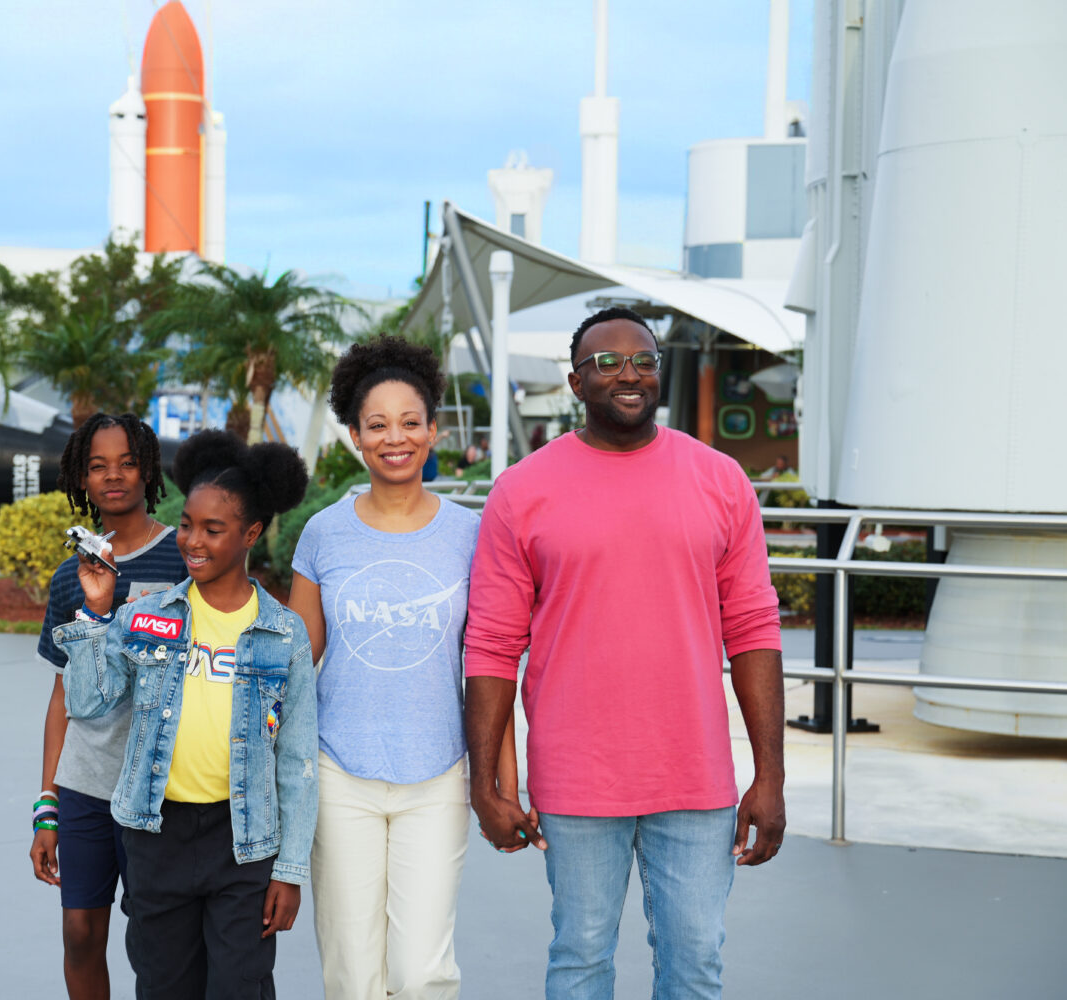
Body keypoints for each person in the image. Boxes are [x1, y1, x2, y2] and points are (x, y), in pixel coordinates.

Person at [463, 306, 786, 999]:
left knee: (694, 962)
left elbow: (755, 630)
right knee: (580, 958)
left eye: (642, 359)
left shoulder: (721, 480)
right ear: (576, 384)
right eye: (605, 362)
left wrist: (770, 776)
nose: (628, 373)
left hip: (694, 775)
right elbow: (491, 645)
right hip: (578, 778)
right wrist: (486, 785)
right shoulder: (521, 491)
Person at [287, 336, 515, 999]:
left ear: (433, 429)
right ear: (355, 435)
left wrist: (503, 780)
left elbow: (492, 668)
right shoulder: (325, 534)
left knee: (422, 973)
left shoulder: (472, 535)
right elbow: (299, 664)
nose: (396, 438)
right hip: (339, 775)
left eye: (411, 422)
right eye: (378, 424)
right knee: (352, 976)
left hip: (436, 774)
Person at [53, 430, 317, 1000]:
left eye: (212, 529)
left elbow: (296, 759)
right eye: (188, 525)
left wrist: (290, 871)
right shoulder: (148, 615)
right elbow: (88, 703)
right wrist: (97, 615)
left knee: (239, 987)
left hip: (243, 842)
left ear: (250, 534)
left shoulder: (283, 634)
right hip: (156, 835)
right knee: (164, 985)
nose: (192, 541)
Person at [28, 413, 185, 1000]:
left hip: (161, 789)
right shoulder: (73, 576)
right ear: (81, 478)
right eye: (98, 466)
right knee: (79, 932)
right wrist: (47, 803)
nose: (113, 475)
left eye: (126, 462)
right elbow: (61, 697)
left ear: (148, 470)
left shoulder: (184, 560)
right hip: (86, 786)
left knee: (157, 943)